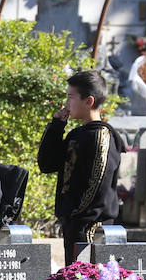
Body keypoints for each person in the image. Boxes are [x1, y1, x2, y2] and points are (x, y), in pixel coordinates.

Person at [38, 70, 124, 264]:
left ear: (89, 101)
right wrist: (56, 127)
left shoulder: (101, 135)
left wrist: (77, 212)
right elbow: (47, 164)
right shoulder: (76, 134)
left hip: (92, 225)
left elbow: (97, 180)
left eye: (71, 97)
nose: (67, 103)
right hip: (74, 221)